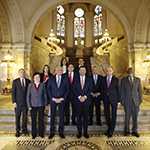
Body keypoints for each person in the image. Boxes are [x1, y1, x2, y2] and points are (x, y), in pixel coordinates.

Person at [47, 66, 70, 139]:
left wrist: (62, 98)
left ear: (62, 71)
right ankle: (52, 132)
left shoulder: (65, 78)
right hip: (53, 100)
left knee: (61, 117)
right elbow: (48, 89)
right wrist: (52, 98)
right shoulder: (51, 78)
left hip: (62, 100)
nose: (59, 71)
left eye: (61, 70)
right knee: (52, 116)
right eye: (58, 70)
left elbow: (68, 89)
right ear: (56, 71)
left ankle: (61, 132)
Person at [121, 67, 142, 137]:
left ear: (133, 71)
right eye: (129, 71)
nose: (130, 72)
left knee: (135, 117)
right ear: (127, 72)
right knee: (127, 116)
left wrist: (140, 99)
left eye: (131, 70)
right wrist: (122, 100)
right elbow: (122, 91)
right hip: (127, 101)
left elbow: (140, 90)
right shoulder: (123, 80)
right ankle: (127, 130)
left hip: (136, 102)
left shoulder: (138, 80)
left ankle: (134, 130)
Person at [73, 66, 92, 138]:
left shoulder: (89, 79)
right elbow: (74, 89)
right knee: (78, 118)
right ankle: (79, 132)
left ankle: (86, 132)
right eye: (81, 70)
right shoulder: (75, 79)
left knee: (85, 118)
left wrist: (85, 97)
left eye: (83, 70)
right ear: (79, 71)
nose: (82, 71)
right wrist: (79, 97)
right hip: (77, 101)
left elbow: (90, 89)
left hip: (86, 101)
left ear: (85, 71)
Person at [27, 72, 47, 139]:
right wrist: (29, 105)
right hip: (33, 105)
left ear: (40, 78)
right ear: (33, 78)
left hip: (41, 105)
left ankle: (41, 133)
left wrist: (45, 104)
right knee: (33, 120)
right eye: (36, 77)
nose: (37, 78)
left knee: (41, 119)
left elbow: (45, 95)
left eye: (38, 77)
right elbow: (28, 96)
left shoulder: (43, 84)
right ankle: (34, 134)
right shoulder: (30, 85)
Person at [101, 66, 120, 138]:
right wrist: (102, 100)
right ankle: (109, 128)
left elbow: (118, 91)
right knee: (106, 114)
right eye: (107, 70)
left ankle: (112, 130)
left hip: (114, 99)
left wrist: (118, 102)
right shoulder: (103, 79)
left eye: (110, 70)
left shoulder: (116, 80)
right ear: (106, 71)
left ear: (113, 71)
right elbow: (102, 90)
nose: (108, 72)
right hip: (105, 99)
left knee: (114, 115)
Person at [12, 68, 31, 137]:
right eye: (21, 72)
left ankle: (24, 129)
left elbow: (30, 92)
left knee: (25, 117)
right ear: (19, 73)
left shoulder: (28, 81)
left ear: (25, 73)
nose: (22, 73)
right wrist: (14, 102)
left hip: (25, 102)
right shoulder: (15, 81)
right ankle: (17, 130)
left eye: (23, 72)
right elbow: (13, 93)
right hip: (18, 102)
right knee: (18, 117)